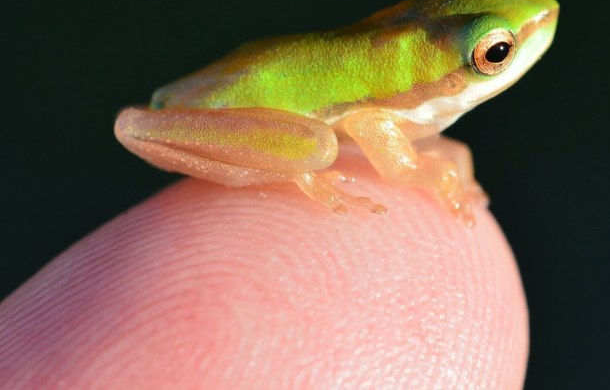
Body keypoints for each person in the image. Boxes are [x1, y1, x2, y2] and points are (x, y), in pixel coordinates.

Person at [0, 151, 529, 387]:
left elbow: (445, 148)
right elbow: (395, 159)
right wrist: (437, 178)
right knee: (318, 146)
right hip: (267, 111)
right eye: (494, 55)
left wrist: (450, 171)